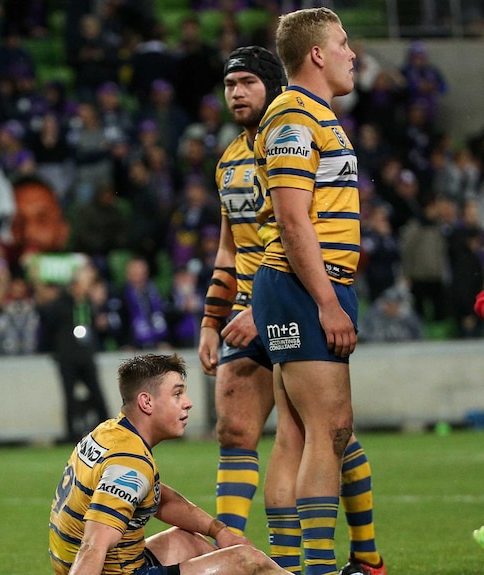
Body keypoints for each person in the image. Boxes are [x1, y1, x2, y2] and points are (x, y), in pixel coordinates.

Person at [198, 45, 386, 575]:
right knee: (240, 431)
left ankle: (365, 554)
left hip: (280, 297)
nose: (236, 93)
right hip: (254, 303)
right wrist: (211, 322)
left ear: (273, 85)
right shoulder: (230, 161)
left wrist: (265, 306)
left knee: (324, 434)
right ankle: (247, 554)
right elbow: (228, 248)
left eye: (248, 83)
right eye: (230, 84)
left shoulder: (292, 140)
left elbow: (292, 229)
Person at [250, 11, 383, 575]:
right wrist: (328, 302)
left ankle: (291, 566)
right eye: (344, 43)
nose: (353, 53)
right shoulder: (293, 116)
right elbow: (291, 218)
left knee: (298, 434)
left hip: (299, 287)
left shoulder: (312, 116)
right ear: (318, 56)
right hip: (306, 287)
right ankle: (321, 571)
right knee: (328, 430)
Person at [48, 352, 294, 575]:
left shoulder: (108, 433)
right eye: (177, 394)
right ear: (147, 402)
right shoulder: (130, 464)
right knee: (248, 561)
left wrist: (220, 531)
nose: (187, 402)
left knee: (187, 541)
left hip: (96, 565)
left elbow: (160, 497)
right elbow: (93, 546)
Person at [37, 265, 110, 443]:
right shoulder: (59, 305)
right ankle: (71, 435)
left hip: (86, 356)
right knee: (69, 397)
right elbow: (48, 327)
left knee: (97, 395)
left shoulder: (87, 305)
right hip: (67, 357)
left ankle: (107, 431)